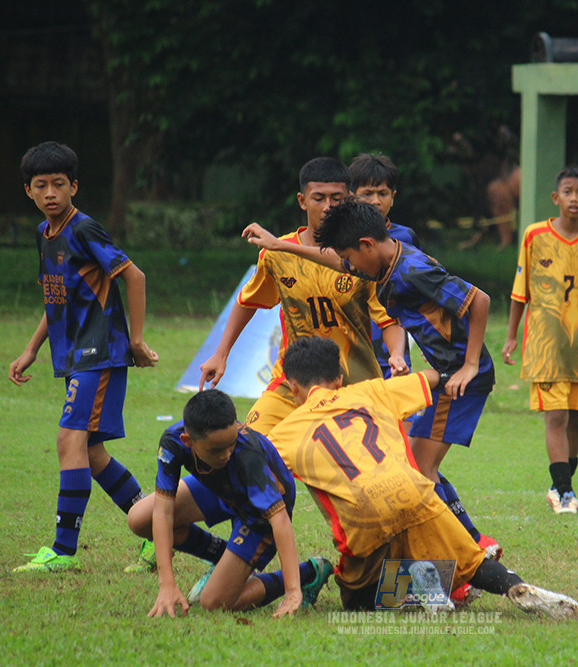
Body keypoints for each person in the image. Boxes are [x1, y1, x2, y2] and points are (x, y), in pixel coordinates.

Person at [243, 200, 502, 599]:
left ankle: (464, 564)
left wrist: (469, 365)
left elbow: (480, 300)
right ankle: (451, 568)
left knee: (420, 476)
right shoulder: (377, 261)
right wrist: (281, 245)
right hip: (444, 375)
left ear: (366, 244)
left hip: (459, 380)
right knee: (415, 471)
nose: (349, 267)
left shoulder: (413, 270)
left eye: (350, 257)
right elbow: (331, 259)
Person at [265, 336, 578, 618]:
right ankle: (520, 588)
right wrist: (466, 368)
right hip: (414, 492)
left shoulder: (282, 434)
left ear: (293, 387)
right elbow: (433, 379)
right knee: (472, 562)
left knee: (354, 598)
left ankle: (419, 585)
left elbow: (258, 471)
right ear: (339, 378)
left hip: (362, 517)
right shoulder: (372, 390)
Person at [9, 141, 159, 574]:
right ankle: (157, 529)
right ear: (29, 192)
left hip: (102, 352)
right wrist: (32, 349)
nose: (51, 192)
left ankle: (63, 549)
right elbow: (56, 297)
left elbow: (135, 276)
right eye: (42, 185)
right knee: (91, 454)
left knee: (68, 440)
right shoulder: (44, 235)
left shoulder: (84, 230)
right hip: (77, 354)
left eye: (60, 184)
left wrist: (136, 340)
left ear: (74, 186)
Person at [198, 157, 406, 435]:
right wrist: (220, 354)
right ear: (302, 200)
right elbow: (247, 302)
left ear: (350, 200)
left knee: (349, 468)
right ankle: (185, 482)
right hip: (292, 382)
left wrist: (397, 355)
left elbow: (389, 319)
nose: (328, 207)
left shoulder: (362, 255)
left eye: (337, 198)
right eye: (319, 198)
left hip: (352, 384)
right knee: (251, 447)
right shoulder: (276, 254)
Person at [126, 389, 333, 618]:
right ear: (188, 441)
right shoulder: (173, 442)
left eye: (231, 444)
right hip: (219, 491)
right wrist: (167, 584)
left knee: (212, 602)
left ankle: (309, 572)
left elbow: (280, 519)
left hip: (259, 514)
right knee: (139, 518)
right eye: (217, 449)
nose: (226, 455)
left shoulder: (247, 454)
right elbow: (163, 513)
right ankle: (222, 557)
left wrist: (293, 591)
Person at [501, 165, 578, 514]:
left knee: (577, 417)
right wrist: (511, 336)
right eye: (567, 191)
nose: (574, 198)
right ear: (556, 198)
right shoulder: (534, 235)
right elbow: (519, 292)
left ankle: (558, 486)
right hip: (544, 345)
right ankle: (567, 494)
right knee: (555, 418)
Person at [348, 153, 421, 379]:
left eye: (383, 193)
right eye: (367, 193)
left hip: (394, 344)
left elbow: (420, 291)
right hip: (351, 343)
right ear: (351, 196)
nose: (376, 201)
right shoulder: (341, 239)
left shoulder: (405, 238)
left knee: (395, 410)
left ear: (393, 197)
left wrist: (429, 338)